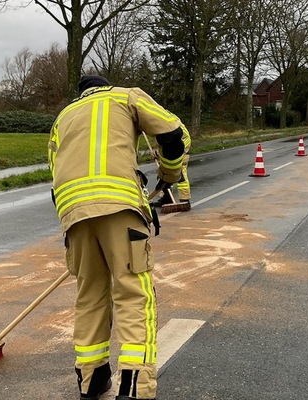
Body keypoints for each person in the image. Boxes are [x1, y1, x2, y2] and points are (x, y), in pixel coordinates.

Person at [48, 75, 190, 400]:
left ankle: (91, 381)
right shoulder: (126, 97)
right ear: (104, 85)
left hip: (74, 216)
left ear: (81, 94)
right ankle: (134, 388)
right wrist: (168, 176)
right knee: (133, 294)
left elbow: (56, 175)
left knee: (89, 296)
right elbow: (172, 134)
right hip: (120, 210)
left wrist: (75, 220)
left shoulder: (63, 118)